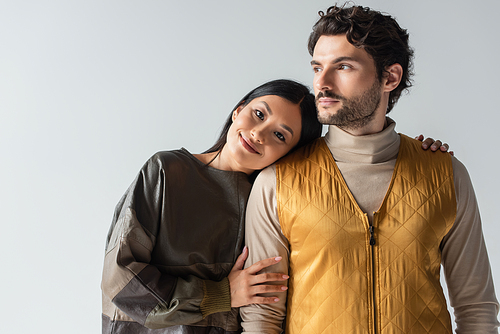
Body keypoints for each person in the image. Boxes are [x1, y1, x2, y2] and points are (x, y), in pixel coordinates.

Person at [240, 5, 499, 334]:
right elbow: (262, 317)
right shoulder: (277, 182)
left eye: (343, 66)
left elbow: (476, 308)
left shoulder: (445, 175)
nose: (321, 82)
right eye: (317, 68)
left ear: (390, 77)